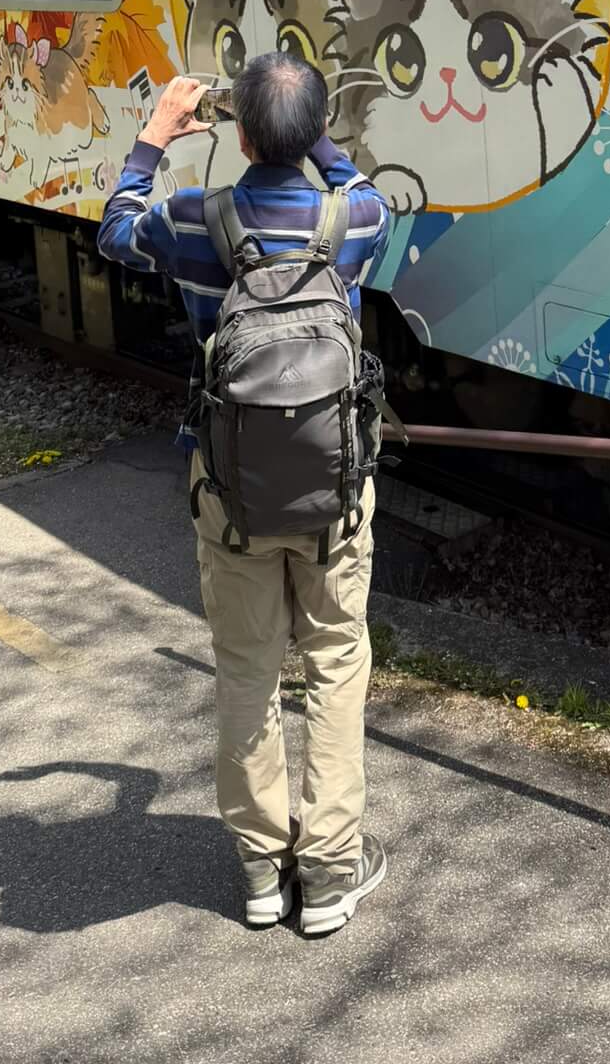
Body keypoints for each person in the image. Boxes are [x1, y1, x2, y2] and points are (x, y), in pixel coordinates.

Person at [97, 53, 391, 935]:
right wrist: (315, 135)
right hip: (335, 486)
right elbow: (352, 178)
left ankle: (263, 874)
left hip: (228, 486)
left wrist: (153, 140)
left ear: (239, 132)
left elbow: (115, 231)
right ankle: (331, 875)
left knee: (247, 672)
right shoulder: (357, 217)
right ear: (311, 134)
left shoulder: (195, 218)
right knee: (336, 667)